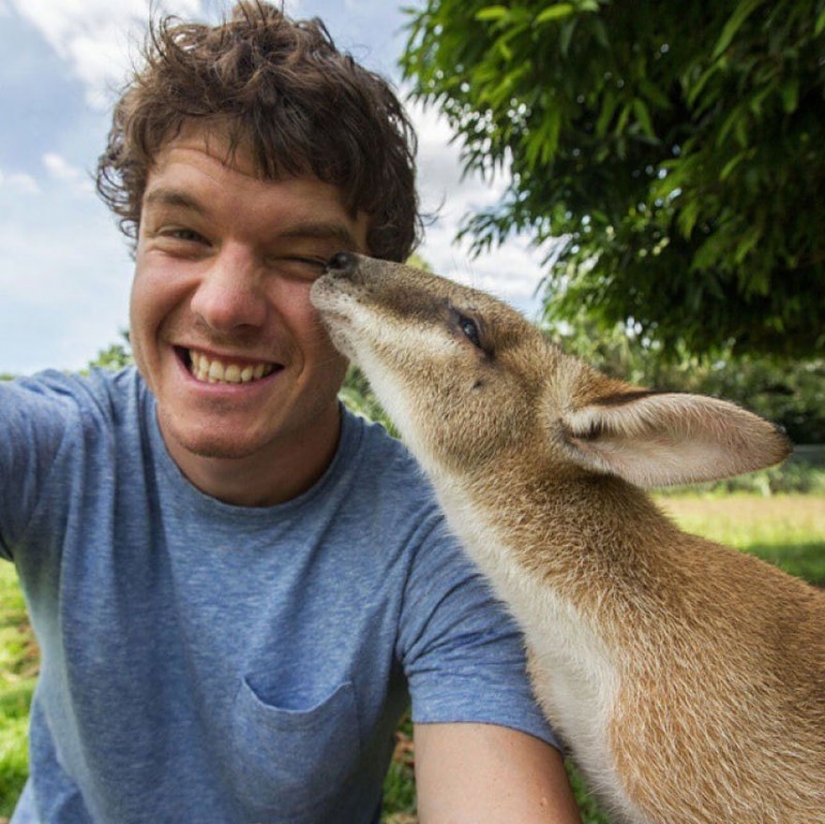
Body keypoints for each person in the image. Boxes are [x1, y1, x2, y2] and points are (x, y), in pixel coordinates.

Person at [0, 3, 582, 822]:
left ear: (370, 308)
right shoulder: (56, 446)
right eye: (184, 234)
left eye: (305, 258)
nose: (224, 305)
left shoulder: (437, 540)